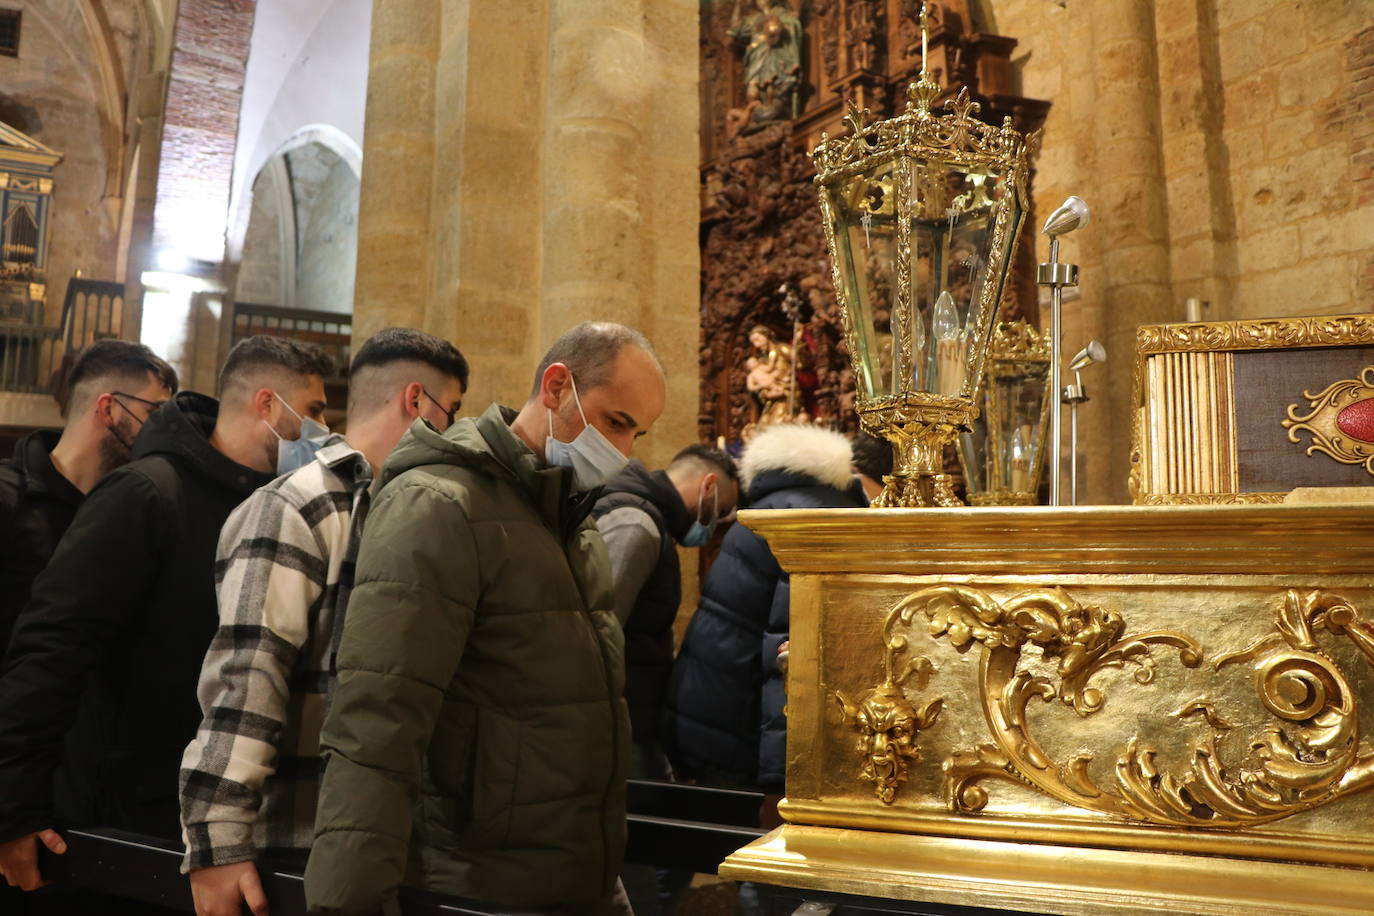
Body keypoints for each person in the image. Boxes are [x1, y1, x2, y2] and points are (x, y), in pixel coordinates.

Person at [303, 321, 665, 915]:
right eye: (616, 422)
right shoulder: (440, 504)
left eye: (637, 432)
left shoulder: (574, 524)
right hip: (473, 886)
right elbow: (379, 722)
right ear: (555, 388)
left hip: (568, 883)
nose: (624, 452)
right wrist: (349, 903)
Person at [0, 336, 333, 897]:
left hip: (211, 823)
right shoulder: (145, 493)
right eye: (317, 411)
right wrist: (11, 807)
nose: (324, 429)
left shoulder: (274, 508)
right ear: (269, 406)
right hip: (120, 814)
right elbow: (53, 647)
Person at [179, 329, 469, 916]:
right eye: (453, 412)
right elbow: (248, 673)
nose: (456, 430)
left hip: (388, 843)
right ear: (416, 401)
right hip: (293, 839)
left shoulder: (420, 508)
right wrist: (219, 836)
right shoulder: (299, 504)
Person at [662, 423, 864, 794]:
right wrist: (777, 780)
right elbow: (788, 660)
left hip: (707, 720)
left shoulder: (767, 511)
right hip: (736, 735)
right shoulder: (816, 520)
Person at [593, 444, 739, 915]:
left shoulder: (645, 516)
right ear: (709, 488)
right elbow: (598, 629)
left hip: (634, 717)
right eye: (722, 512)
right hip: (620, 722)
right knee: (642, 872)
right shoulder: (638, 524)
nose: (715, 525)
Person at [0, 340, 177, 661]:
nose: (161, 430)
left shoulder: (130, 513)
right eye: (154, 412)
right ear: (108, 409)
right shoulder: (8, 497)